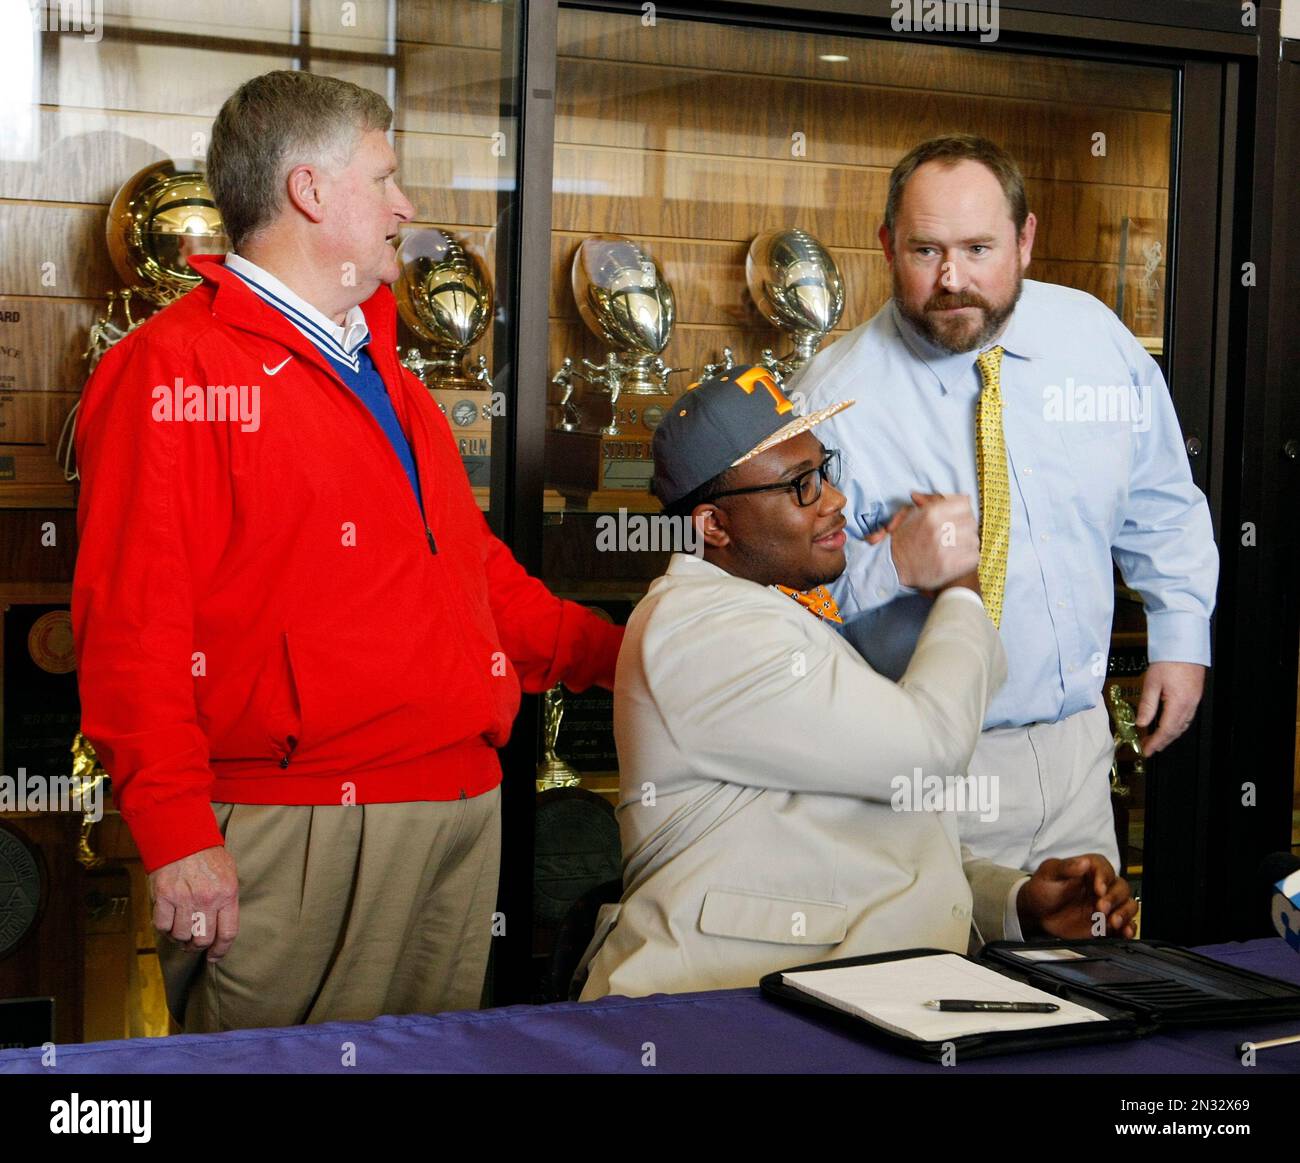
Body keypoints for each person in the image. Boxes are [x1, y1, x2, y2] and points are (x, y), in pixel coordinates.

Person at [72, 70, 622, 1032]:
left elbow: (478, 583)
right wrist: (174, 831)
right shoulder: (170, 367)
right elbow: (133, 622)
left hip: (459, 808)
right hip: (302, 831)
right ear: (310, 191)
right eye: (386, 176)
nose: (406, 206)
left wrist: (639, 655)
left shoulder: (389, 377)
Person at [578, 365, 1136, 1001]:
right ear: (713, 525)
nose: (834, 498)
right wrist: (959, 589)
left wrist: (1015, 903)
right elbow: (926, 753)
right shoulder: (697, 627)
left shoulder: (766, 610)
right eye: (801, 486)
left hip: (840, 1004)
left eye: (826, 470)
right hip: (725, 1017)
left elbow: (865, 841)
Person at [798, 134, 1218, 871]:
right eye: (925, 251)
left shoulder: (1091, 338)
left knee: (1086, 976)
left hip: (1080, 757)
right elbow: (787, 617)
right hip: (920, 775)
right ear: (886, 244)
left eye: (979, 248)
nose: (953, 278)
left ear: (1025, 240)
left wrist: (1181, 636)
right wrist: (893, 563)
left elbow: (1159, 498)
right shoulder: (828, 404)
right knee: (924, 981)